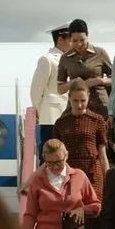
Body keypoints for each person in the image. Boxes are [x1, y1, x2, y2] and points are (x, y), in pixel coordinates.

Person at [21, 139, 101, 229]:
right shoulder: (37, 180)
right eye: (50, 163)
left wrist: (83, 209)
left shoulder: (79, 176)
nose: (55, 167)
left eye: (59, 162)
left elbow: (96, 205)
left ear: (66, 156)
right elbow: (30, 214)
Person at [30, 22, 71, 164]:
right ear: (60, 39)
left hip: (67, 114)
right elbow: (37, 90)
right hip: (51, 115)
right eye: (70, 40)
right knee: (50, 151)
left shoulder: (70, 59)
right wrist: (41, 112)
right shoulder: (48, 59)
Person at [56, 19, 113, 119]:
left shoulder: (100, 53)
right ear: (70, 39)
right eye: (75, 41)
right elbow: (60, 89)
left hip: (100, 106)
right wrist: (74, 83)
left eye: (82, 40)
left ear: (87, 35)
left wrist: (99, 81)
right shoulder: (65, 58)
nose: (79, 44)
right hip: (76, 108)